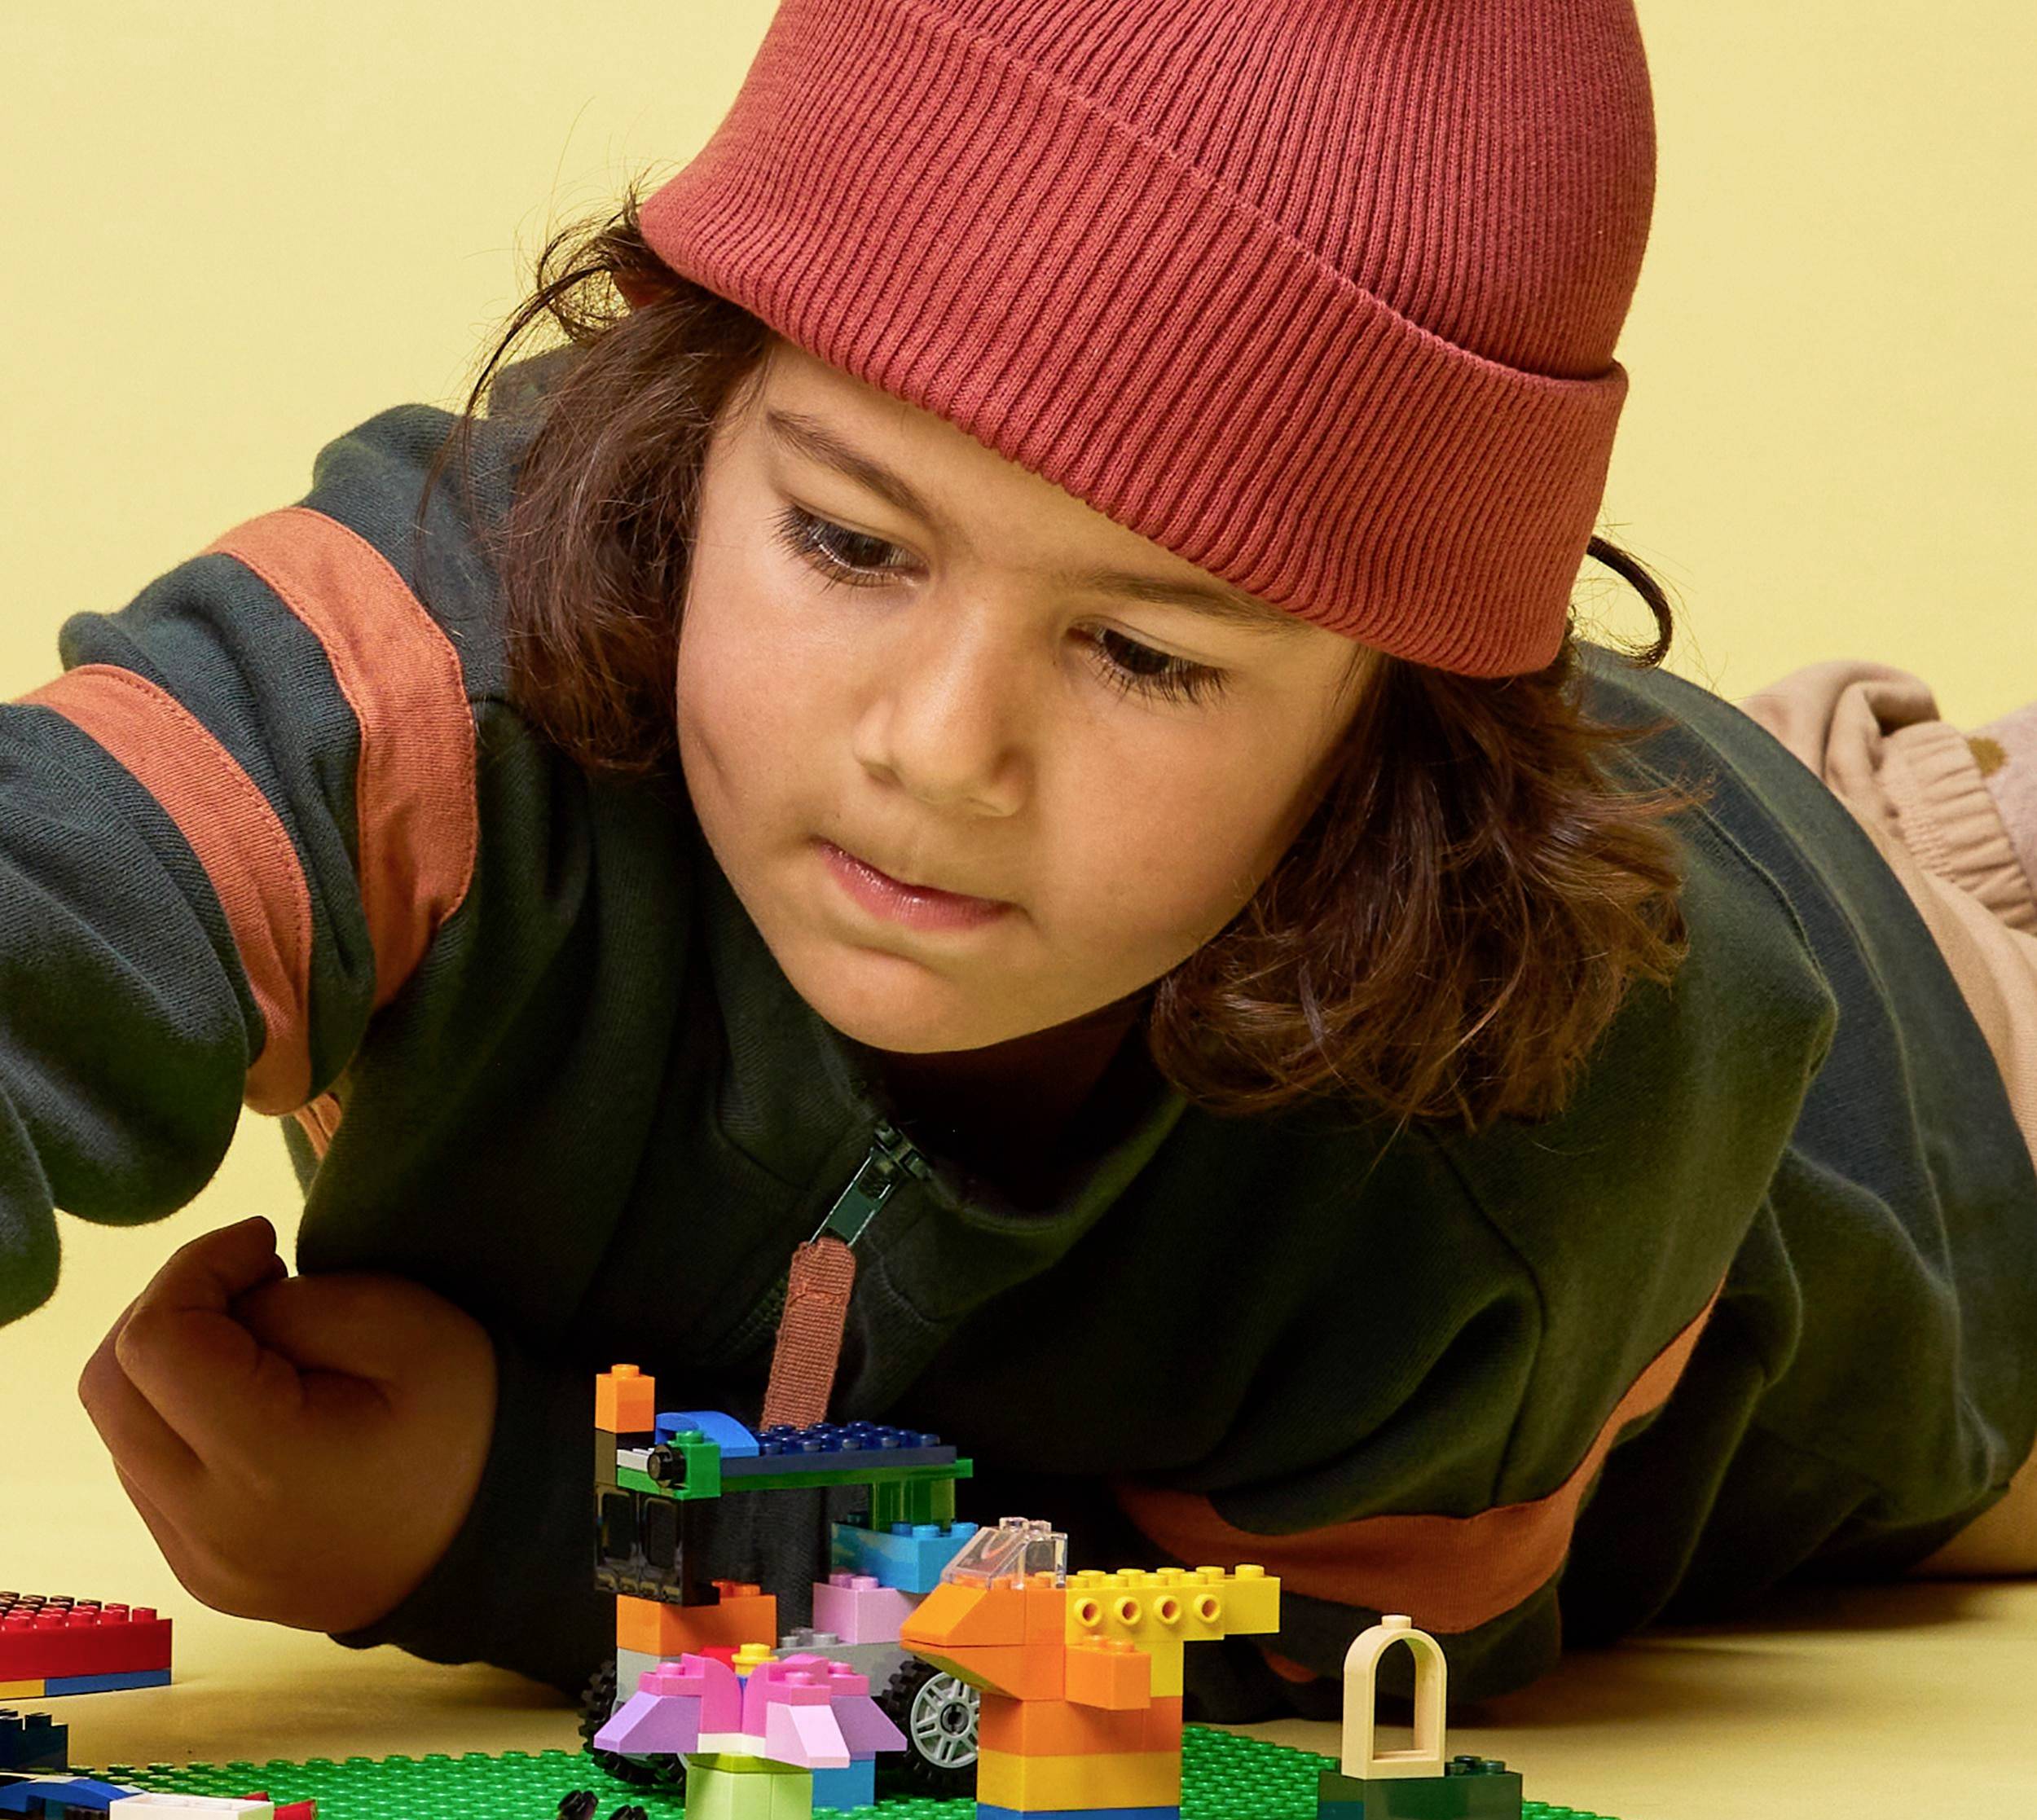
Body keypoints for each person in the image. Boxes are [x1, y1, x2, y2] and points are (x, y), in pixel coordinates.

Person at [23, 0, 2037, 1724]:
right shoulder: (435, 667)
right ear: (690, 411)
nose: (936, 749)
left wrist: (541, 1530)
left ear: (1388, 723)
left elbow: (1248, 1680)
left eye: (1144, 651)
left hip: (1943, 1095)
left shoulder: (1526, 1116)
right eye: (847, 540)